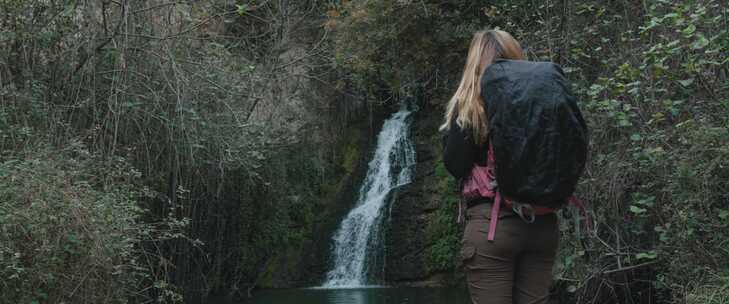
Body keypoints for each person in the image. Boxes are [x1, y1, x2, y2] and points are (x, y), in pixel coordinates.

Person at [441, 30, 559, 304]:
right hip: (542, 225)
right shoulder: (541, 100)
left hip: (493, 229)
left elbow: (456, 165)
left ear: (474, 63)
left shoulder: (473, 105)